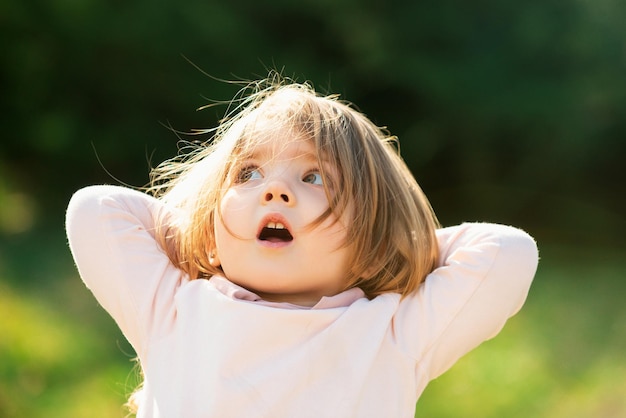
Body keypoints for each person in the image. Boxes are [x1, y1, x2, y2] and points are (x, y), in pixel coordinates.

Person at [65, 75, 539, 418]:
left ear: (370, 238)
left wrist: (389, 245)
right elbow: (96, 210)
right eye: (248, 174)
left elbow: (507, 253)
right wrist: (205, 233)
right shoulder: (172, 310)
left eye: (314, 177)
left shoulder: (392, 333)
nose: (274, 191)